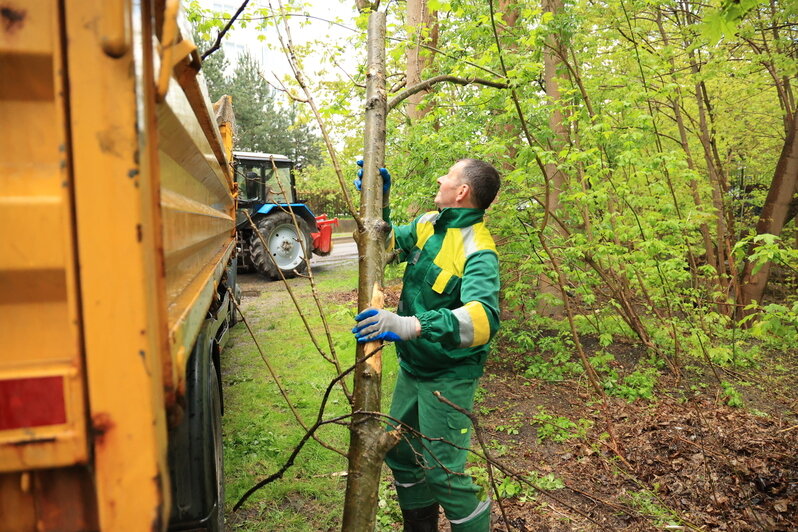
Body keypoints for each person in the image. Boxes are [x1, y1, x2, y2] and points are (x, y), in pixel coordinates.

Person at [352, 159, 501, 532]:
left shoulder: (478, 248)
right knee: (401, 456)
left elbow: (483, 320)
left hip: (449, 375)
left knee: (444, 475)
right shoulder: (428, 225)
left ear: (462, 191)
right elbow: (382, 246)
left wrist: (410, 324)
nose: (440, 178)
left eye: (448, 175)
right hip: (414, 370)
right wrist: (378, 201)